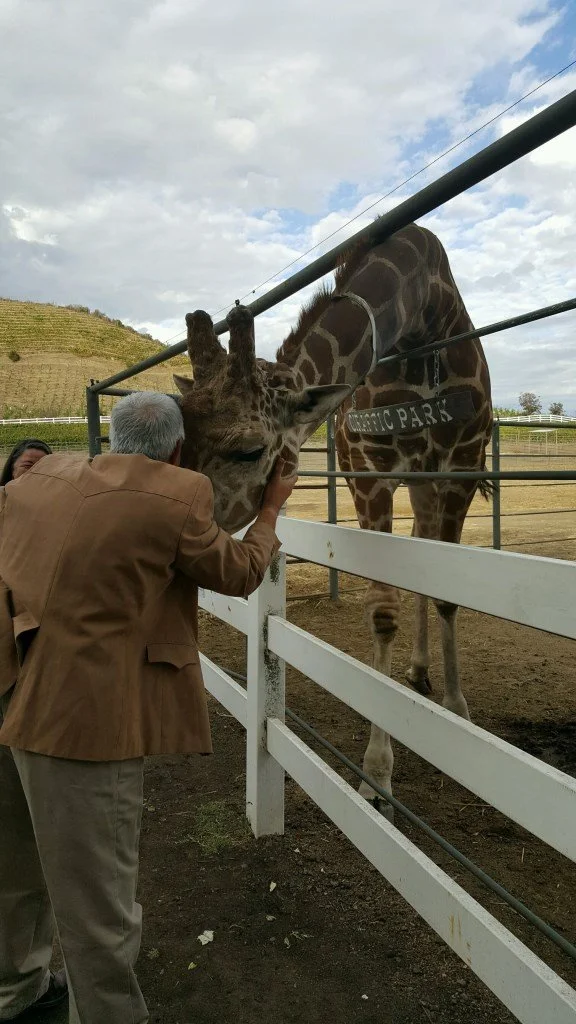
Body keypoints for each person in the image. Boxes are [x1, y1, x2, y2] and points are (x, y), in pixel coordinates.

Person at [0, 391, 296, 1023]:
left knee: (13, 867)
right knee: (98, 901)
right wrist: (271, 507)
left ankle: (15, 992)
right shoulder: (179, 495)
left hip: (9, 688)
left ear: (111, 437)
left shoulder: (38, 478)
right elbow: (240, 571)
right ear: (178, 450)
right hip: (77, 718)